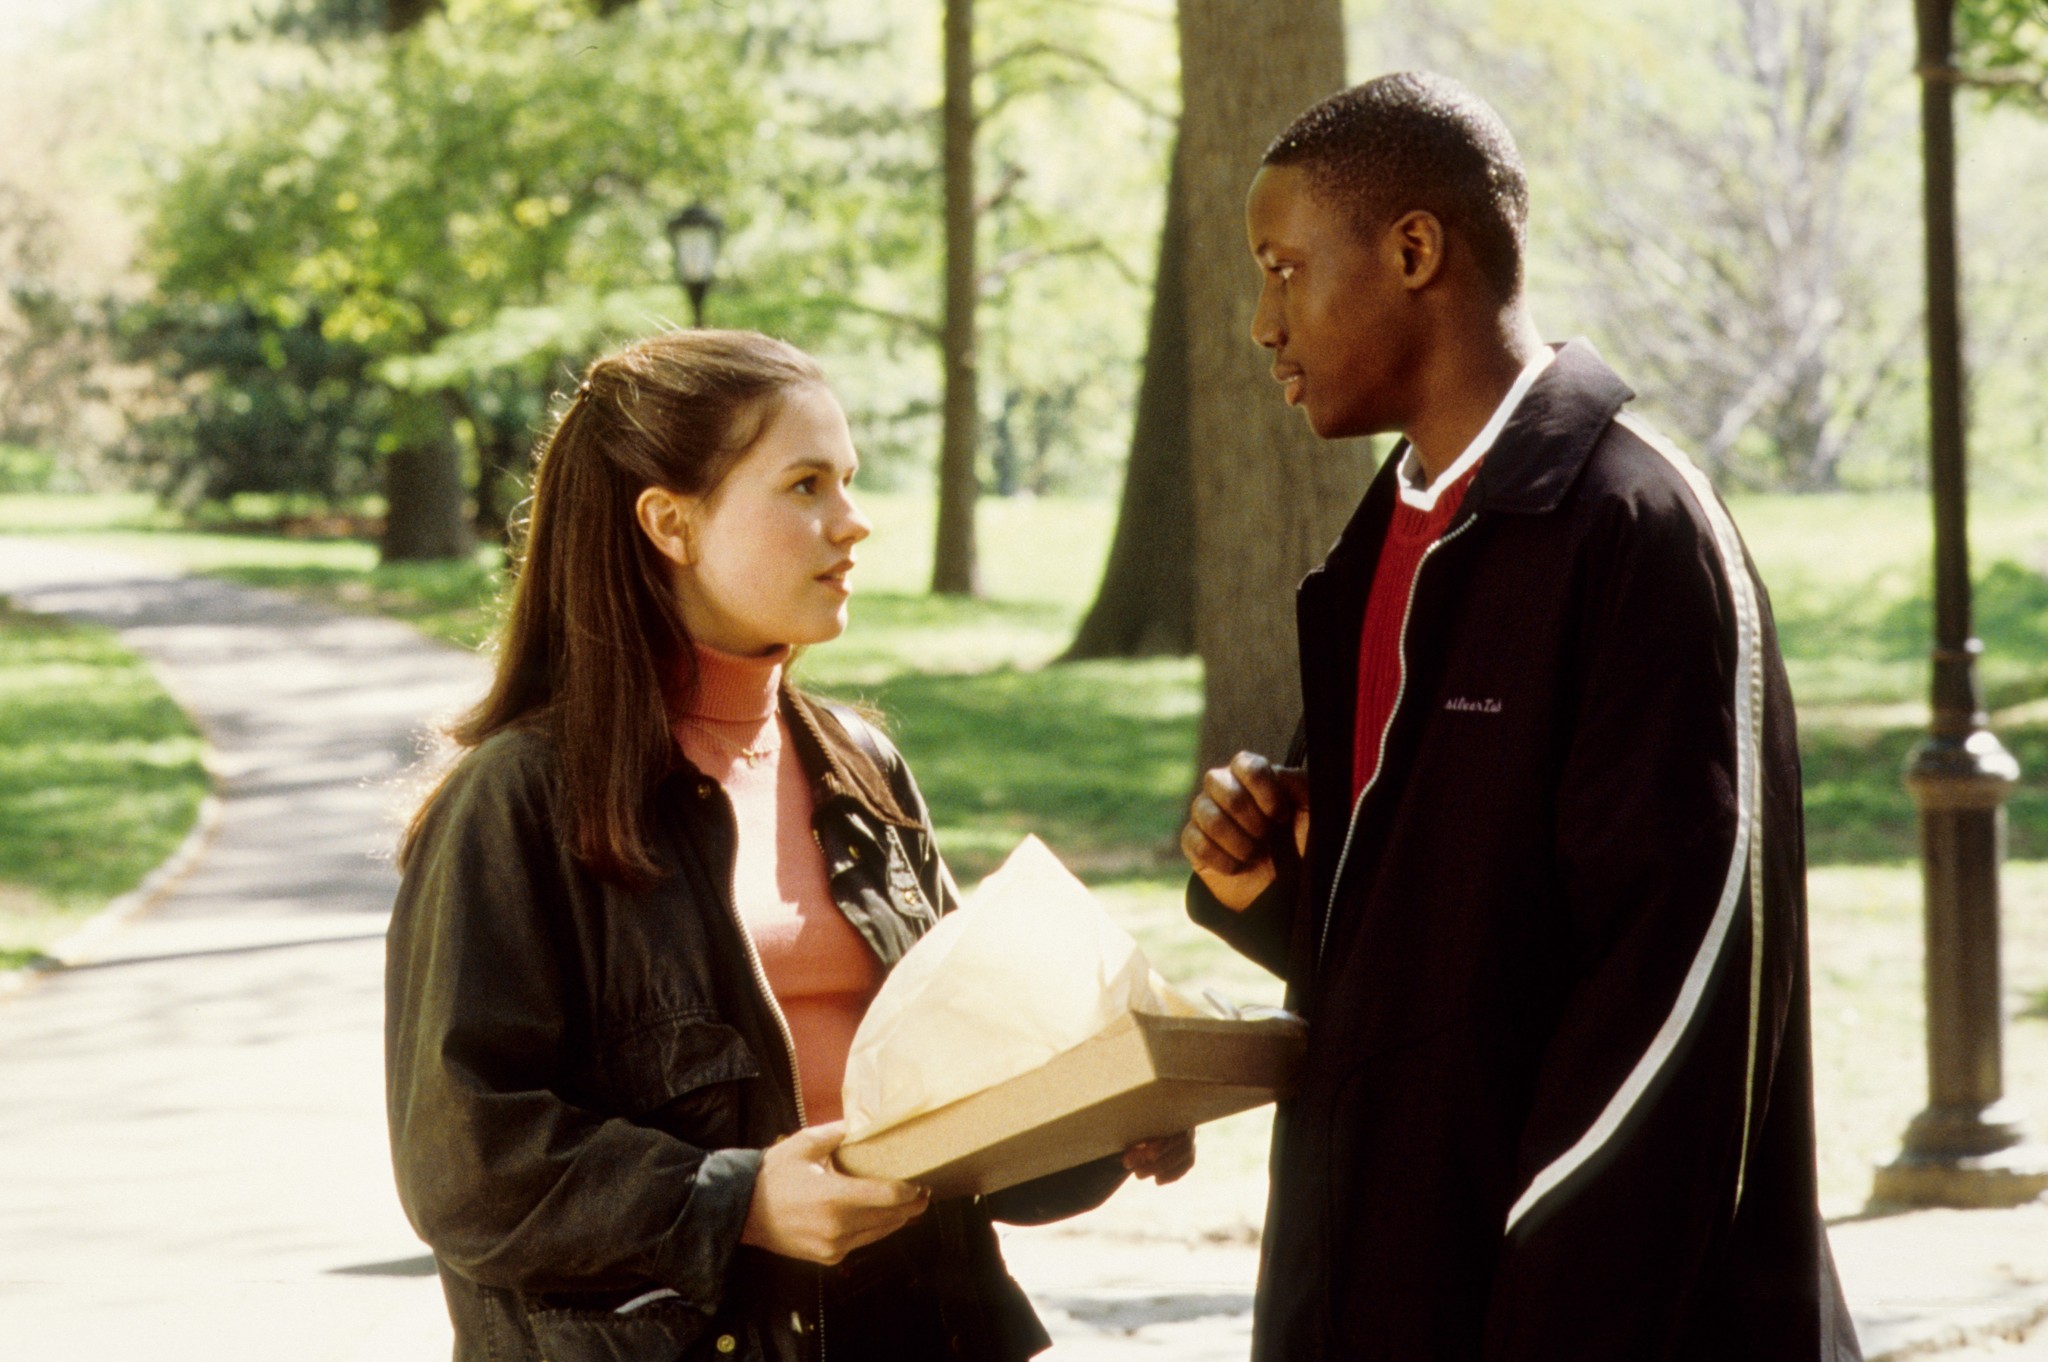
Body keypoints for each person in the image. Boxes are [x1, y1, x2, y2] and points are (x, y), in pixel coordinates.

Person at [1178, 73, 1861, 1360]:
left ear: (1414, 249)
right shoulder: (1390, 529)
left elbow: (1685, 986)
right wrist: (1277, 883)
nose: (1261, 322)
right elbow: (1451, 939)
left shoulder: (1635, 531)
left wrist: (1545, 1302)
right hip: (1372, 1289)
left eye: (1282, 268)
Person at [387, 329, 1193, 1362]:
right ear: (669, 523)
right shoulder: (516, 802)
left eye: (847, 481)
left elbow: (955, 1087)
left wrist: (1105, 1117)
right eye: (805, 485)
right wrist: (740, 1204)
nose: (851, 523)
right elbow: (466, 1167)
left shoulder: (861, 770)